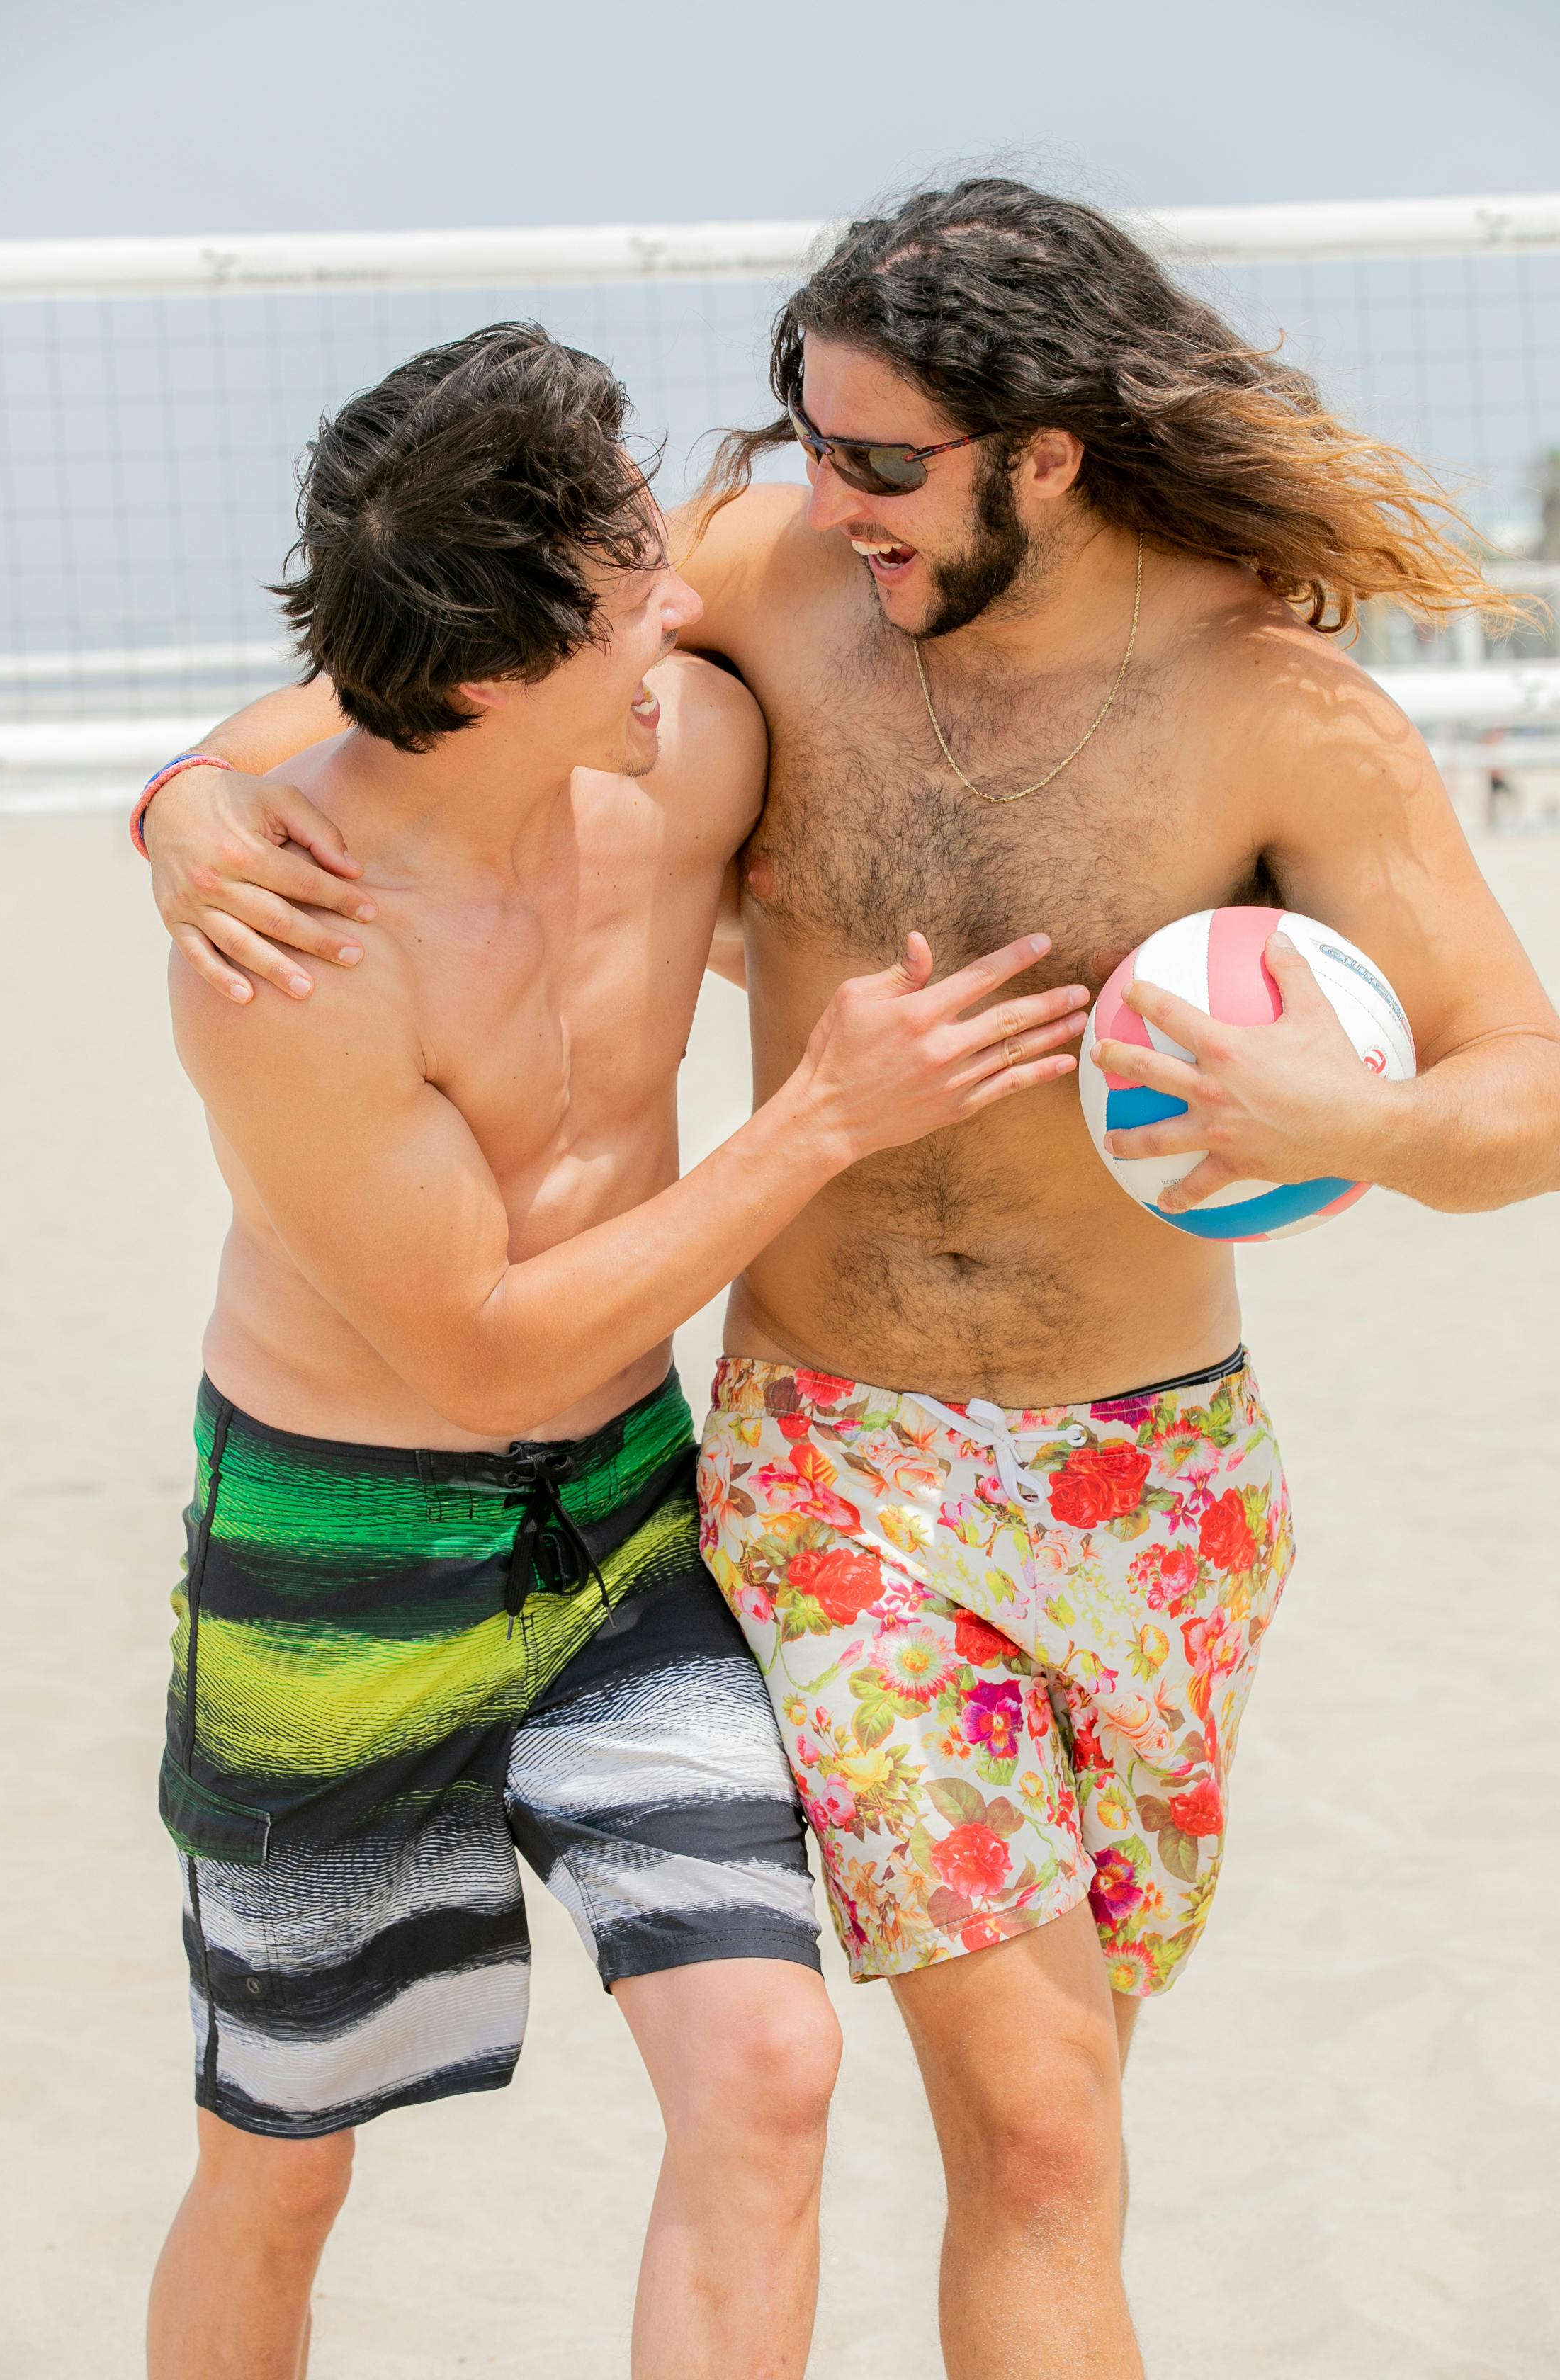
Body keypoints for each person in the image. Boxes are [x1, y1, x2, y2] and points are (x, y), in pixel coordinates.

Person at [137, 182, 1560, 2379]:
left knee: (1059, 2120)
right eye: (806, 436)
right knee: (1036, 2136)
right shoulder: (779, 582)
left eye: (882, 460)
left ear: (1050, 454)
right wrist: (183, 818)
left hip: (1159, 1484)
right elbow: (399, 711)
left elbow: (1523, 1092)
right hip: (833, 1475)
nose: (823, 498)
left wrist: (1352, 1123)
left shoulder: (1276, 712)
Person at [140, 316, 1089, 2380]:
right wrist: (822, 1117)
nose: (683, 609)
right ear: (483, 672)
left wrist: (166, 796)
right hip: (340, 1562)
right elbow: (482, 1351)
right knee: (282, 2154)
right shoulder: (300, 956)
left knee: (766, 2068)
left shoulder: (684, 744)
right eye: (627, 588)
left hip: (624, 1531)